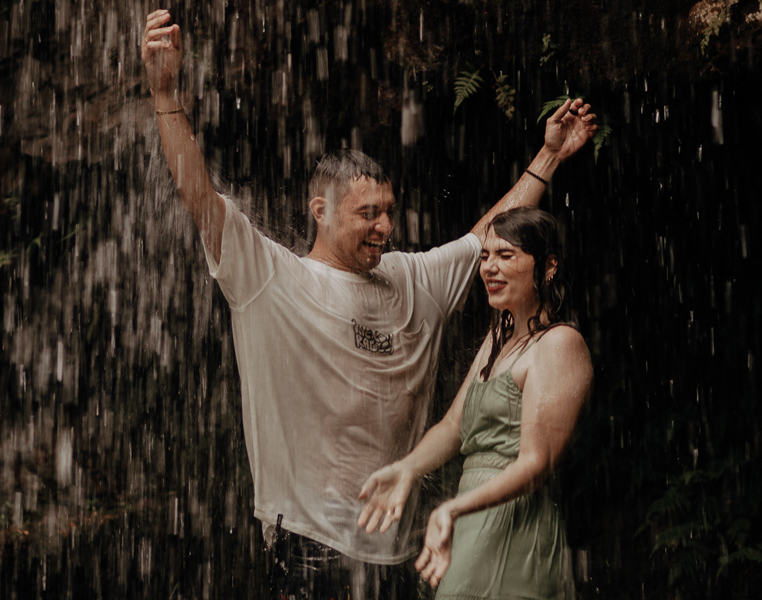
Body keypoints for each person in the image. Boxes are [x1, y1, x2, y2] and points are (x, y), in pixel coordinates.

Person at [141, 8, 598, 599]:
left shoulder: (414, 280)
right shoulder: (270, 279)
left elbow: (492, 236)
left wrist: (550, 156)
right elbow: (199, 195)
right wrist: (165, 95)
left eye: (389, 211)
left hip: (400, 553)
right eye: (367, 214)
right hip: (308, 544)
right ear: (320, 211)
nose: (385, 226)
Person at [358, 207, 594, 598]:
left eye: (506, 255)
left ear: (548, 266)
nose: (489, 268)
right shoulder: (496, 341)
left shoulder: (559, 344)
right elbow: (453, 427)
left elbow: (535, 464)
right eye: (485, 256)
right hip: (470, 520)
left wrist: (453, 509)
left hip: (516, 523)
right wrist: (406, 469)